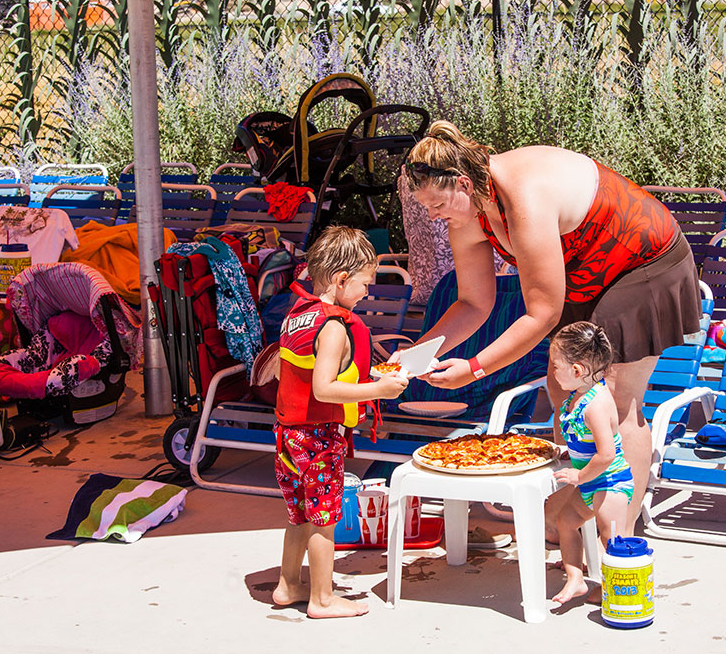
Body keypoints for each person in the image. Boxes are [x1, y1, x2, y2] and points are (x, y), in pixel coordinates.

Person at [403, 121, 701, 530]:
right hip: (582, 274)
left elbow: (541, 313)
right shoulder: (468, 215)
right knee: (563, 388)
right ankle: (567, 522)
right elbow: (473, 302)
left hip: (643, 263)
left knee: (612, 399)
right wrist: (421, 353)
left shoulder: (525, 194)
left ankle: (618, 536)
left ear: (463, 185)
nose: (434, 217)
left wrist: (473, 369)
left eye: (437, 205)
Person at [271, 226, 409, 619]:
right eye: (365, 283)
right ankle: (323, 599)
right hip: (316, 436)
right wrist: (379, 390)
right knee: (323, 519)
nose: (367, 292)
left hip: (288, 434)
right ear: (341, 279)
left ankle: (287, 585)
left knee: (298, 513)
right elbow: (326, 389)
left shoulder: (299, 315)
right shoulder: (332, 326)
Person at [549, 321, 632, 604]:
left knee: (612, 540)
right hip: (593, 481)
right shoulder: (579, 395)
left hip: (610, 482)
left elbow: (607, 454)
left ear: (577, 370)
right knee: (566, 522)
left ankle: (617, 590)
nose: (553, 372)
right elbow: (584, 442)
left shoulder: (595, 405)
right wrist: (569, 454)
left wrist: (579, 476)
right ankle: (576, 580)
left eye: (556, 366)